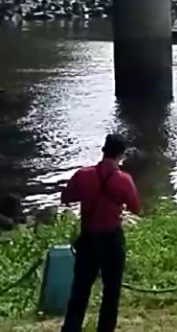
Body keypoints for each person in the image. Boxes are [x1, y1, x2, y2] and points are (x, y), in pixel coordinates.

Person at [61, 134, 141, 332]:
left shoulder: (83, 175)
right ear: (121, 155)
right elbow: (136, 208)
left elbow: (66, 198)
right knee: (111, 291)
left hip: (88, 239)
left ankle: (71, 328)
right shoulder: (124, 180)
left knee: (80, 289)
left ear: (103, 150)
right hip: (112, 240)